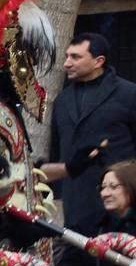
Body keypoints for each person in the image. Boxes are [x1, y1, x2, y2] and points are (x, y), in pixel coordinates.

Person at [42, 33, 136, 235]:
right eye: (67, 56)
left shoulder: (129, 94)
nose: (67, 63)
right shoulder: (62, 101)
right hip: (75, 213)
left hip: (122, 216)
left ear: (98, 61)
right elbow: (59, 152)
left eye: (75, 57)